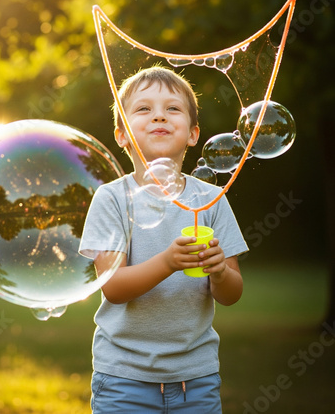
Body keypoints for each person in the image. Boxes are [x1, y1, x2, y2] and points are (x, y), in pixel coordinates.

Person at [79, 66, 248, 413]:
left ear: (193, 133)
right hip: (122, 379)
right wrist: (169, 262)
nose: (159, 116)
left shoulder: (211, 199)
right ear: (122, 134)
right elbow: (113, 287)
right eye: (143, 109)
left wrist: (219, 272)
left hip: (196, 380)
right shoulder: (112, 199)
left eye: (173, 109)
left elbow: (231, 293)